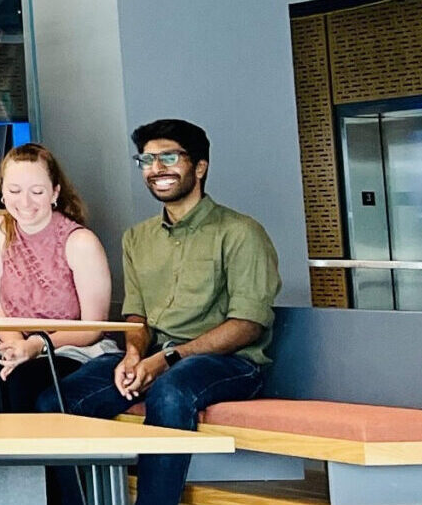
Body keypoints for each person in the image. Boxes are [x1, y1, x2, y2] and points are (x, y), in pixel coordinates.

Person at [49, 120, 278, 505]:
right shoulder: (137, 237)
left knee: (171, 391)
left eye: (168, 157)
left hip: (228, 363)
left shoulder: (240, 232)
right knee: (57, 399)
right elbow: (136, 315)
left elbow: (247, 324)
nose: (156, 169)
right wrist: (135, 354)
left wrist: (166, 359)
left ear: (199, 166)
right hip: (155, 356)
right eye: (147, 160)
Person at [0, 144, 111, 415]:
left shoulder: (80, 242)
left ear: (55, 193)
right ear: (2, 192)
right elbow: (0, 311)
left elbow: (93, 327)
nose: (25, 203)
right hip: (17, 344)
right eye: (15, 191)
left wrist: (35, 345)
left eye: (37, 192)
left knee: (23, 381)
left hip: (73, 350)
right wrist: (16, 347)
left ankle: (37, 457)